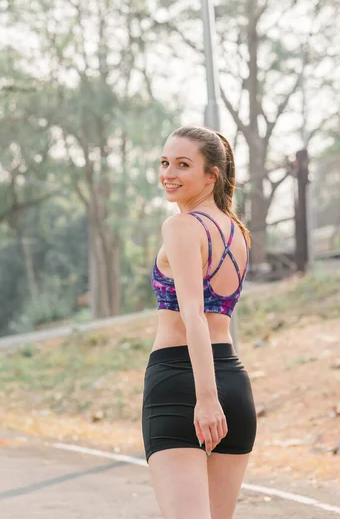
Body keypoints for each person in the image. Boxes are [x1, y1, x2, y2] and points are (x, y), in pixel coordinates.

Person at [141, 125, 257, 519]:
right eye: (165, 162)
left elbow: (194, 316)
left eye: (182, 165)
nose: (168, 173)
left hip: (181, 381)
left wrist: (205, 398)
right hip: (234, 383)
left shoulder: (180, 226)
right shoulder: (237, 232)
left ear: (212, 175)